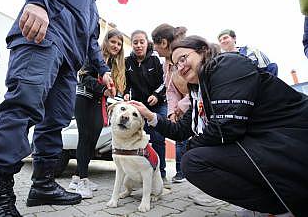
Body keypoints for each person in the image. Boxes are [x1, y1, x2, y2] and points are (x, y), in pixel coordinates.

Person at [130, 35, 308, 217]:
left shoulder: (226, 65)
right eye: (176, 65)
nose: (180, 67)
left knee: (194, 161)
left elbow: (226, 127)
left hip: (292, 139)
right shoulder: (199, 93)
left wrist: (191, 146)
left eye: (183, 58)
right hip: (265, 144)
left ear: (202, 51)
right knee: (193, 159)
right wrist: (150, 115)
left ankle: (280, 205)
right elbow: (181, 131)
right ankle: (273, 204)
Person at [0, 0, 115, 216]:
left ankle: (43, 185)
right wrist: (37, 1)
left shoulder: (93, 7)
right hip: (43, 34)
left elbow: (91, 41)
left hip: (70, 61)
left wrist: (103, 70)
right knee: (22, 106)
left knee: (54, 122)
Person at [68, 29, 125, 199]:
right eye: (113, 41)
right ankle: (83, 181)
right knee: (85, 138)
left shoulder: (114, 63)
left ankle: (76, 178)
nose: (116, 45)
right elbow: (83, 76)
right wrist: (103, 90)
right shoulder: (95, 57)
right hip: (84, 99)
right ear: (106, 42)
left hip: (98, 103)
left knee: (93, 140)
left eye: (119, 43)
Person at [123, 30, 169, 186]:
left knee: (158, 139)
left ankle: (161, 174)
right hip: (139, 107)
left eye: (141, 42)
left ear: (147, 42)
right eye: (135, 42)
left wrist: (156, 95)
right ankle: (144, 174)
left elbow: (165, 82)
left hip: (159, 104)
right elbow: (127, 85)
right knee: (142, 141)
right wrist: (127, 94)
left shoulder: (156, 59)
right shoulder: (127, 61)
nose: (138, 45)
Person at [151, 23, 189, 183]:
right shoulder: (167, 64)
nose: (154, 48)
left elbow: (198, 89)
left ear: (164, 43)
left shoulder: (184, 58)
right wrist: (172, 112)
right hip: (185, 107)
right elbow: (171, 90)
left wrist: (181, 107)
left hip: (197, 106)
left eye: (155, 43)